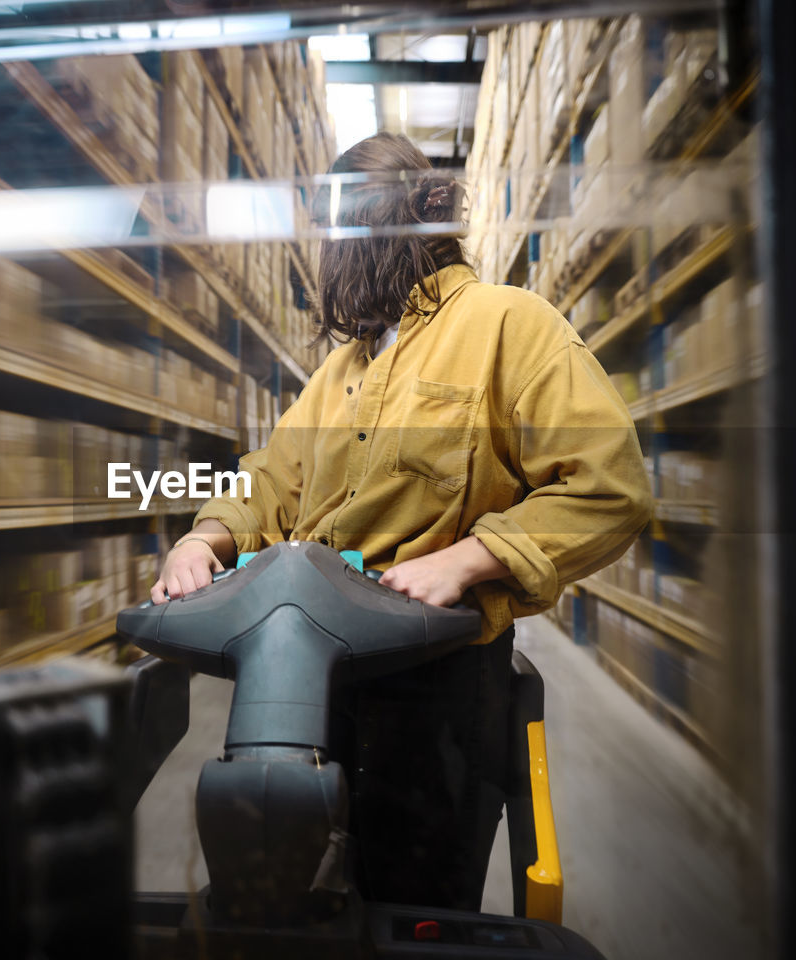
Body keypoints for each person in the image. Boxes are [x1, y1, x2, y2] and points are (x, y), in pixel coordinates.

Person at [150, 132, 652, 911]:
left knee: (411, 907)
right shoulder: (342, 369)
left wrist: (474, 558)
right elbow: (269, 482)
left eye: (341, 234)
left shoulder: (509, 324)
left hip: (438, 691)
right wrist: (203, 537)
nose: (330, 259)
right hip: (312, 676)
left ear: (398, 224)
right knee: (291, 897)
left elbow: (609, 486)